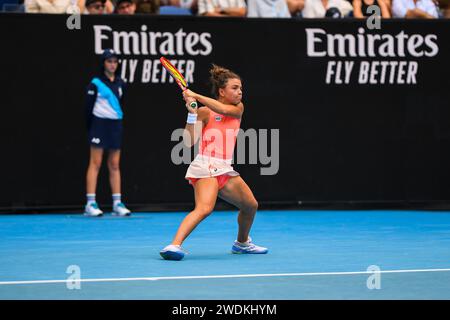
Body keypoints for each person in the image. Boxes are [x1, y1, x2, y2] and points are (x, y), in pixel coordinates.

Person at [159, 65, 268, 260]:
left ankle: (242, 243)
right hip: (206, 165)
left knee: (250, 205)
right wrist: (192, 113)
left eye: (241, 88)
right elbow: (188, 141)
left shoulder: (237, 108)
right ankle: (174, 245)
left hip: (225, 167)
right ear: (221, 91)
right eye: (234, 88)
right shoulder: (204, 112)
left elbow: (223, 109)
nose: (240, 91)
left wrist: (197, 96)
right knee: (204, 208)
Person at [84, 49, 131, 217]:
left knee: (115, 164)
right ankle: (90, 203)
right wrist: (92, 127)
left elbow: (121, 104)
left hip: (115, 125)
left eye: (115, 62)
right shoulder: (95, 83)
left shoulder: (121, 83)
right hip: (99, 124)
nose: (112, 64)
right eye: (109, 61)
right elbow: (87, 109)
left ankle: (117, 203)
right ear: (103, 63)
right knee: (95, 163)